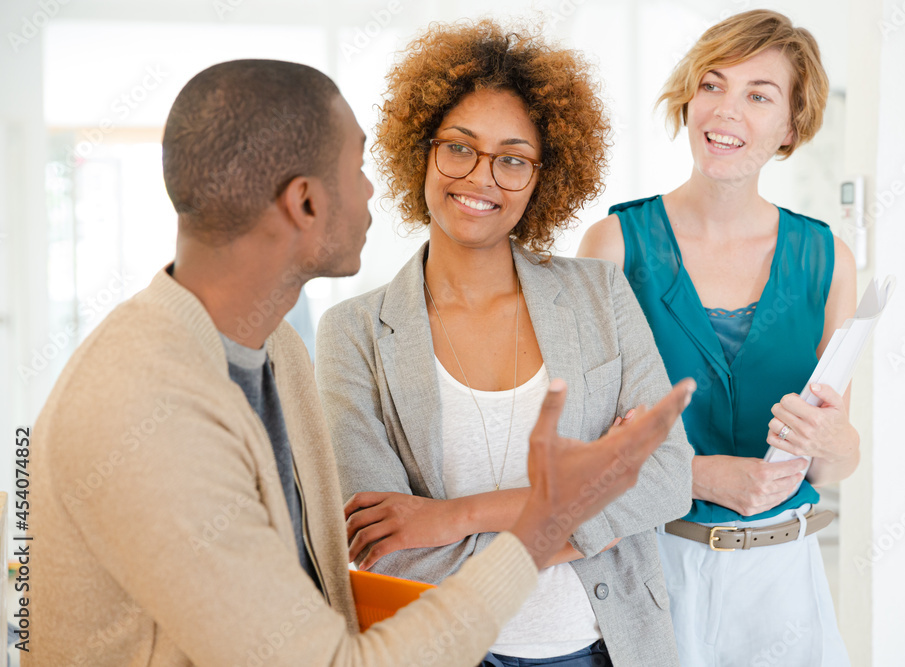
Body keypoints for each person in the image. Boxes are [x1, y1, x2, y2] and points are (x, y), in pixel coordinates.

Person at [25, 58, 695, 667]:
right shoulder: (146, 406)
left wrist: (484, 516)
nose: (375, 189)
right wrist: (544, 522)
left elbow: (322, 575)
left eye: (511, 159)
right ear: (307, 201)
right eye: (358, 169)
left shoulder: (277, 350)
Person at [315, 20, 694, 667]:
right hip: (449, 648)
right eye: (458, 147)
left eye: (513, 158)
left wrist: (453, 515)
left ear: (544, 176)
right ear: (423, 151)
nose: (482, 177)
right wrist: (587, 516)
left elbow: (667, 479)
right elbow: (388, 543)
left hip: (607, 645)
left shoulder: (600, 295)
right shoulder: (353, 332)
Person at [578, 9, 856, 666]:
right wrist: (699, 473)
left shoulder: (826, 258)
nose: (724, 109)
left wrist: (834, 443)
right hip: (651, 564)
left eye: (758, 94)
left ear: (790, 125)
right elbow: (580, 450)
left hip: (784, 578)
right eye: (711, 84)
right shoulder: (615, 245)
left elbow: (836, 458)